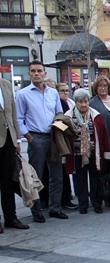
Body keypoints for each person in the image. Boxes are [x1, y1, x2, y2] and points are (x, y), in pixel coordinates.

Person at [15, 61, 67, 222]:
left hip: (53, 136)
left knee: (56, 175)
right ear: (29, 73)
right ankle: (36, 211)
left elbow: (59, 112)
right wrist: (28, 136)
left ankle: (55, 208)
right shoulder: (23, 94)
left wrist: (59, 128)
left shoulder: (53, 93)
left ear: (45, 73)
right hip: (36, 137)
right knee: (35, 176)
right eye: (33, 71)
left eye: (39, 71)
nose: (36, 74)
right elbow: (18, 118)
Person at [65, 89, 110, 214]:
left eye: (85, 101)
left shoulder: (96, 115)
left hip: (93, 153)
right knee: (80, 179)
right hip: (77, 154)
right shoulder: (68, 116)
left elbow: (104, 136)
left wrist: (106, 152)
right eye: (80, 102)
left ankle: (97, 203)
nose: (83, 104)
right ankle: (83, 205)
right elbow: (64, 137)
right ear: (76, 102)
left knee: (95, 178)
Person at [0, 78, 29, 232]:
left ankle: (11, 217)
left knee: (8, 182)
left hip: (9, 141)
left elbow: (12, 114)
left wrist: (17, 139)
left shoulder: (5, 84)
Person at [90, 76, 110, 207]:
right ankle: (99, 199)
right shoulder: (92, 103)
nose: (103, 88)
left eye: (105, 86)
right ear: (95, 88)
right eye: (100, 86)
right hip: (102, 143)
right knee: (101, 171)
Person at [56, 82, 78, 210]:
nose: (65, 93)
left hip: (72, 139)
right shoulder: (60, 103)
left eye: (67, 90)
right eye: (62, 90)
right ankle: (64, 198)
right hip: (63, 139)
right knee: (63, 171)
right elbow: (58, 121)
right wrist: (69, 130)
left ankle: (68, 196)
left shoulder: (71, 102)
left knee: (70, 168)